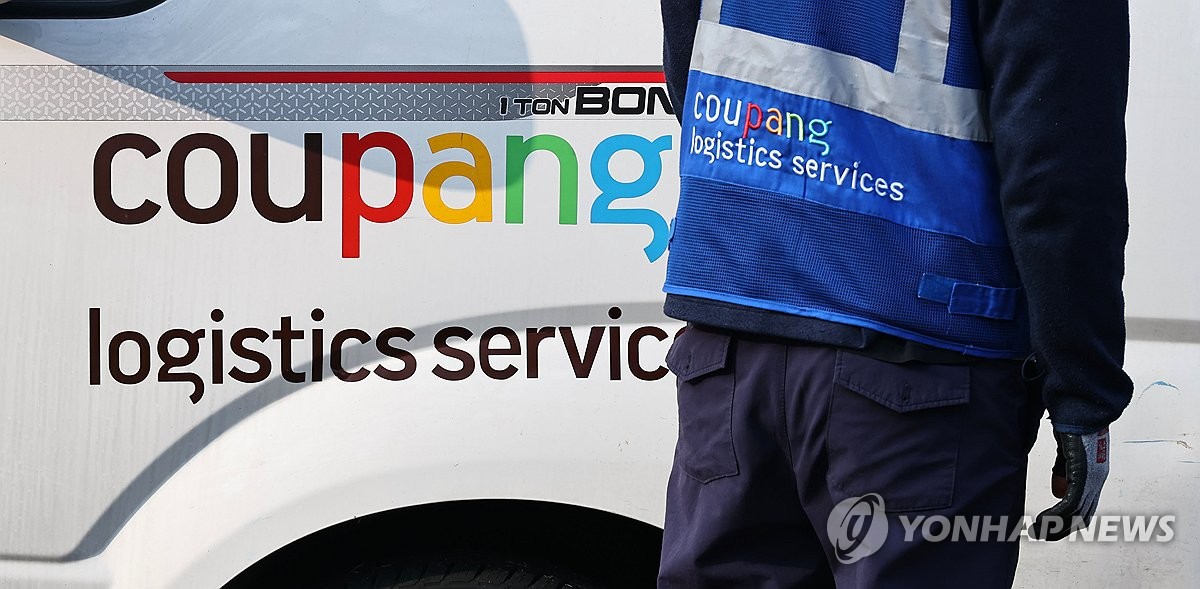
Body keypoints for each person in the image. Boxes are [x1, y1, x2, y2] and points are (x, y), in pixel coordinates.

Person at [656, 1, 1133, 587]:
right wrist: (1083, 389)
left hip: (730, 339)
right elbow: (1060, 167)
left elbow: (690, 60)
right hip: (919, 362)